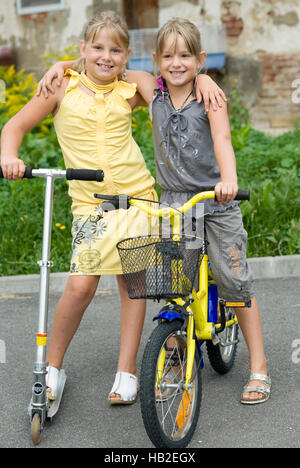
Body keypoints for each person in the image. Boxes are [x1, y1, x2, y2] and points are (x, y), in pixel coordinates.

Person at [0, 11, 225, 406]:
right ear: (84, 49)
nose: (106, 56)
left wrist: (203, 76)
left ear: (127, 57)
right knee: (82, 283)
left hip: (138, 197)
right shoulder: (60, 86)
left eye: (116, 50)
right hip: (91, 205)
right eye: (98, 48)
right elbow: (13, 127)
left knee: (133, 284)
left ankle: (127, 371)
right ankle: (52, 367)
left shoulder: (132, 87)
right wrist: (9, 156)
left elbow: (175, 80)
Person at [149, 17, 271, 405]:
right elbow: (111, 67)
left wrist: (229, 179)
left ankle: (259, 365)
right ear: (157, 60)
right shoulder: (152, 92)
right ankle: (177, 351)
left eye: (186, 55)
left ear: (200, 59)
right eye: (168, 56)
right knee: (174, 285)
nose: (177, 63)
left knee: (234, 281)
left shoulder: (209, 97)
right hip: (173, 203)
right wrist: (62, 67)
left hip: (215, 202)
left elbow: (222, 139)